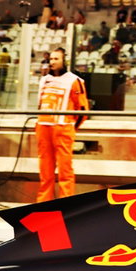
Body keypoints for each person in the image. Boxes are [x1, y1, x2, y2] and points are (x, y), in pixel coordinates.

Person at [35, 48, 89, 201]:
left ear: (64, 61)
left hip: (63, 128)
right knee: (45, 171)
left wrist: (70, 127)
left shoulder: (74, 81)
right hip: (43, 126)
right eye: (51, 59)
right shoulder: (44, 80)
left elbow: (82, 109)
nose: (52, 62)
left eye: (56, 59)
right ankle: (43, 203)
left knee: (65, 170)